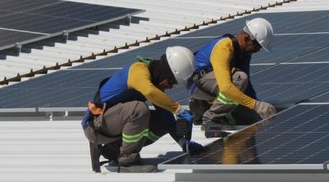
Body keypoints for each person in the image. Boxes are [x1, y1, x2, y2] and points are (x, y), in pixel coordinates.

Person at [81, 45, 204, 173]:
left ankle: (115, 150)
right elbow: (149, 92)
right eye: (171, 82)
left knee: (162, 121)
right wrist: (179, 110)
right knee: (139, 109)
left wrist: (183, 142)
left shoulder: (153, 80)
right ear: (165, 72)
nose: (171, 87)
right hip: (96, 127)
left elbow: (166, 116)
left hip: (109, 124)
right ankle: (127, 161)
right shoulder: (138, 71)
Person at [188, 17, 276, 132]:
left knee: (250, 116)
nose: (256, 51)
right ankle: (210, 120)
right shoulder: (224, 47)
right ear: (246, 38)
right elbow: (226, 88)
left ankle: (205, 106)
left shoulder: (244, 53)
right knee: (240, 79)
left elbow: (246, 85)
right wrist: (256, 105)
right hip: (197, 84)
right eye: (256, 47)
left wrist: (256, 106)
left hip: (212, 83)